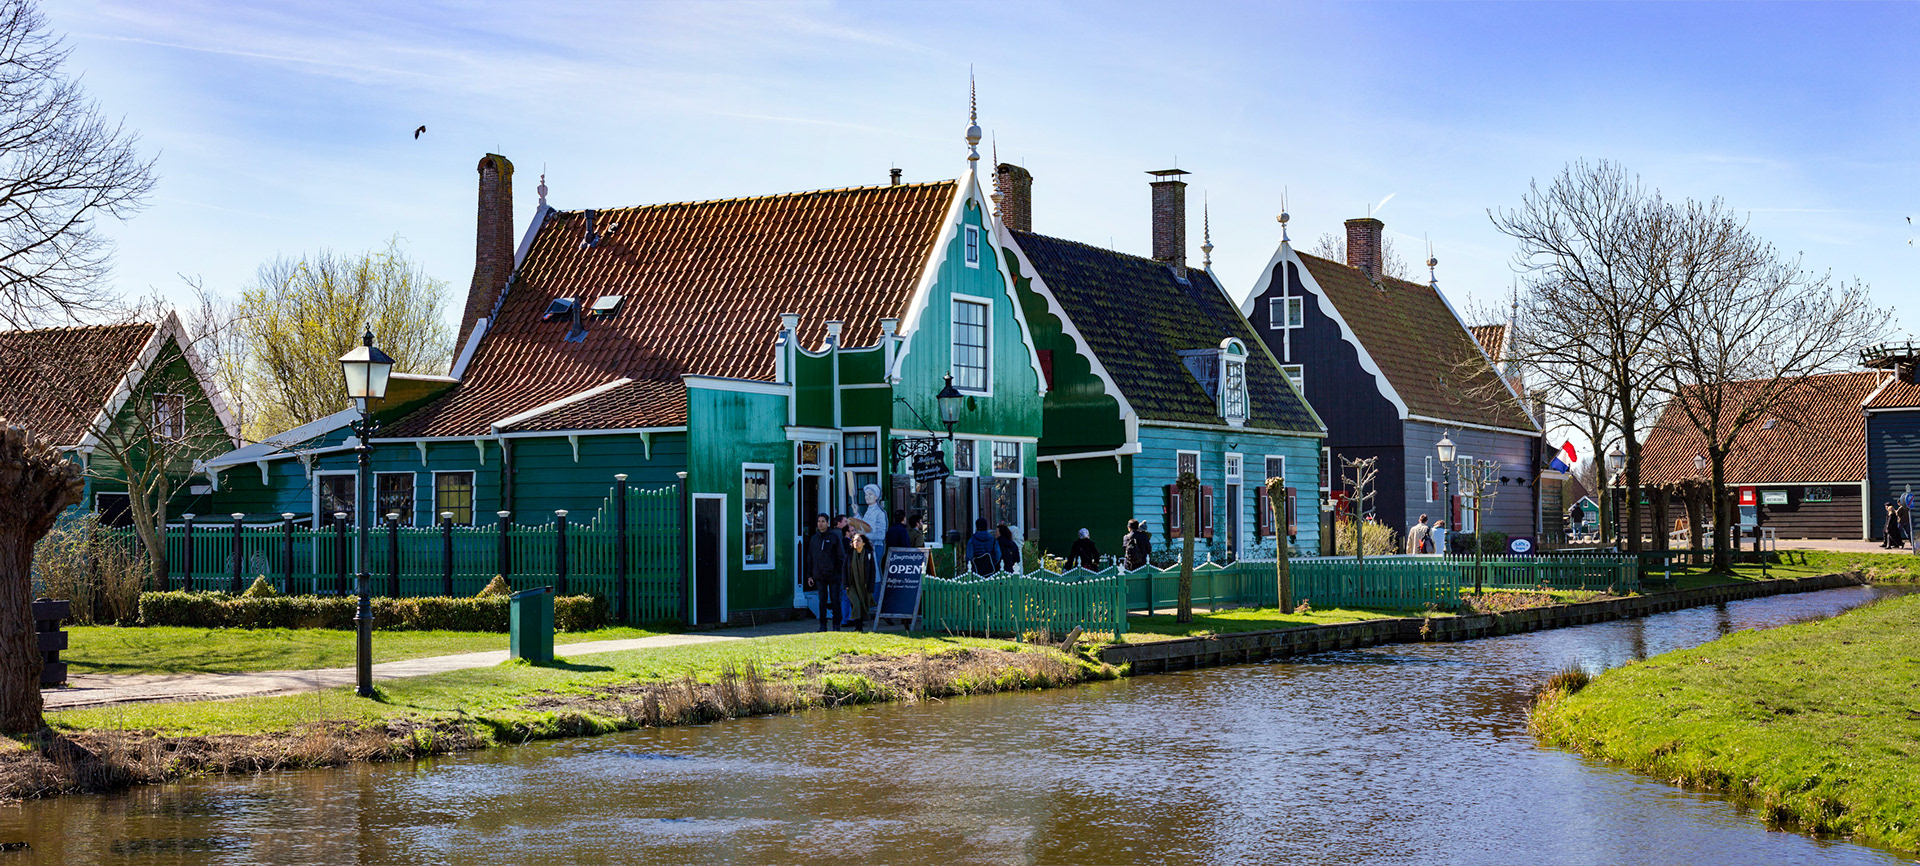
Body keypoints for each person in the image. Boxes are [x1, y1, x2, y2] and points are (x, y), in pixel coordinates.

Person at [807, 513, 846, 632]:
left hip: (833, 575)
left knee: (835, 600)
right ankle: (822, 626)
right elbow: (810, 558)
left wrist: (837, 571)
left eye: (823, 521)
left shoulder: (834, 537)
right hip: (819, 575)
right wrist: (809, 575)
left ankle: (836, 625)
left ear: (828, 523)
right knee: (822, 601)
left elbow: (840, 556)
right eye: (819, 521)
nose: (820, 523)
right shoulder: (814, 539)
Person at [845, 532, 876, 629]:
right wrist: (845, 584)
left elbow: (872, 572)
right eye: (854, 541)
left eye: (858, 541)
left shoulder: (868, 555)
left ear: (864, 543)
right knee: (856, 604)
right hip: (852, 585)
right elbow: (844, 569)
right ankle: (857, 626)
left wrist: (871, 586)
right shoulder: (849, 555)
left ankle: (860, 625)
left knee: (863, 605)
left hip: (864, 585)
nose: (855, 543)